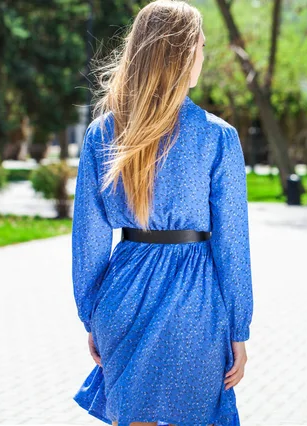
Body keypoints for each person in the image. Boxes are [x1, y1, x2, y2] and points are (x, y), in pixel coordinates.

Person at [72, 1, 253, 425]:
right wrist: (239, 328)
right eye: (202, 47)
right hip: (196, 300)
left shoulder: (103, 132)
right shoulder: (217, 137)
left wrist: (92, 314)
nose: (204, 58)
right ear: (183, 54)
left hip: (124, 294)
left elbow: (88, 239)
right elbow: (233, 245)